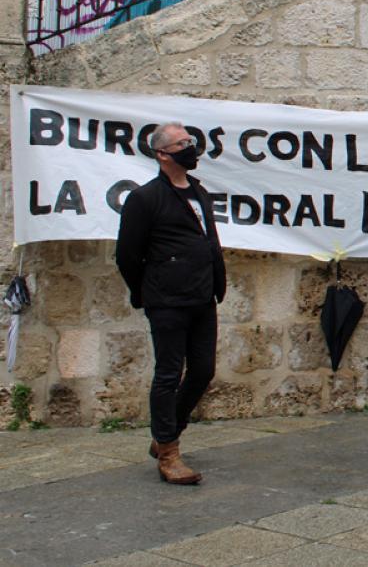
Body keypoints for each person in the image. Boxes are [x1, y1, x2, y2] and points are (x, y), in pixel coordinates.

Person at [116, 122, 226, 485]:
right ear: (162, 154)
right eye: (182, 144)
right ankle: (169, 452)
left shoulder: (199, 191)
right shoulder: (145, 199)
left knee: (202, 371)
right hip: (168, 301)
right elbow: (128, 255)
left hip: (202, 297)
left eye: (191, 142)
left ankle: (166, 431)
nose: (190, 148)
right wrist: (148, 292)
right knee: (168, 374)